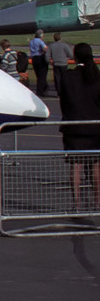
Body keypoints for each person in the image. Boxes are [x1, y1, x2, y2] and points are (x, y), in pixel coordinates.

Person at [59, 43, 100, 212]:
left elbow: (64, 100)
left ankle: (76, 203)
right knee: (96, 165)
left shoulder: (68, 76)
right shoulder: (97, 76)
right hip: (95, 126)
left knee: (76, 166)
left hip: (74, 125)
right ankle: (98, 202)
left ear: (75, 57)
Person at [29, 30, 50, 96]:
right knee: (42, 76)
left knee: (38, 74)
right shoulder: (40, 41)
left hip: (34, 58)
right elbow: (45, 48)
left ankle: (44, 87)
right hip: (40, 58)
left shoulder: (31, 41)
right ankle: (40, 91)